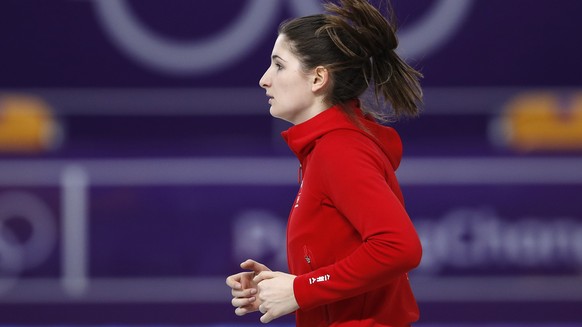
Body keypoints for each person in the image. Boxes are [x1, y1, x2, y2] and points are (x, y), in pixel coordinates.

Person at [226, 0, 423, 326]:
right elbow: (345, 256)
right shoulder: (326, 150)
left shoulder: (339, 150)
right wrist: (282, 287)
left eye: (278, 65)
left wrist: (301, 289)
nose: (264, 79)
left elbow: (399, 247)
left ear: (318, 78)